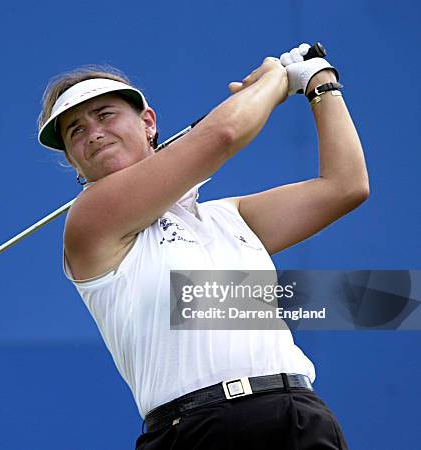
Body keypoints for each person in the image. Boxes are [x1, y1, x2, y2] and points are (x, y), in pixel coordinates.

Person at [37, 43, 368, 449]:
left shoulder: (229, 216)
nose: (94, 133)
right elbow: (223, 134)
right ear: (73, 160)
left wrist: (320, 84)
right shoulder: (91, 220)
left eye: (104, 115)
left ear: (148, 123)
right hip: (193, 430)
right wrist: (276, 82)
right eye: (76, 131)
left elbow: (344, 186)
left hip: (299, 416)